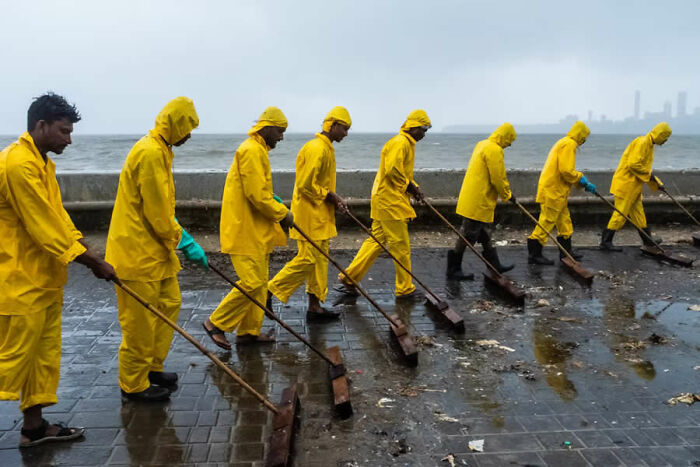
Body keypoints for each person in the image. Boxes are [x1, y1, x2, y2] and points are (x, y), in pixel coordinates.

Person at [0, 93, 116, 447]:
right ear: (41, 125)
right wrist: (93, 262)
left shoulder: (41, 163)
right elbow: (44, 228)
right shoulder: (18, 165)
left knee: (41, 360)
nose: (69, 139)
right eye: (64, 131)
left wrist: (84, 246)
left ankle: (33, 429)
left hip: (44, 280)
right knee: (10, 361)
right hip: (19, 281)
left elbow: (59, 218)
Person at [105, 97, 207, 402]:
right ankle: (133, 385)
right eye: (187, 127)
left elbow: (161, 206)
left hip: (155, 251)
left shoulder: (162, 150)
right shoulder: (150, 152)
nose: (189, 135)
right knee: (138, 322)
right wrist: (184, 240)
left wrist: (174, 238)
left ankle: (151, 368)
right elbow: (158, 211)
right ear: (175, 123)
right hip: (135, 252)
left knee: (169, 304)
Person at [203, 107, 292, 350]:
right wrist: (282, 214)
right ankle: (215, 323)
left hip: (255, 229)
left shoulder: (256, 150)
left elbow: (258, 189)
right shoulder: (252, 151)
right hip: (243, 229)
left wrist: (274, 201)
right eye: (280, 132)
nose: (281, 138)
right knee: (252, 283)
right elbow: (256, 196)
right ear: (268, 127)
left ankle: (248, 333)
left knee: (261, 284)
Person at [335, 110, 430, 300]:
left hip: (386, 199)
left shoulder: (405, 144)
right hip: (390, 202)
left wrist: (413, 187)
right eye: (423, 129)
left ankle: (349, 277)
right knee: (400, 245)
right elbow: (393, 171)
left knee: (376, 241)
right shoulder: (401, 143)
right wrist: (411, 187)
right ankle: (404, 289)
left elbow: (402, 174)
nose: (424, 134)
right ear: (413, 127)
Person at [267, 107, 351, 321]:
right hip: (309, 216)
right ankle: (268, 291)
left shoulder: (326, 148)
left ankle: (315, 308)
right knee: (307, 259)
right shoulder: (317, 148)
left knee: (320, 261)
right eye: (344, 128)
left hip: (320, 214)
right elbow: (305, 185)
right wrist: (329, 195)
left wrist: (333, 198)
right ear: (332, 125)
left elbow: (320, 184)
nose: (346, 134)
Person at [446, 123, 517, 280]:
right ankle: (453, 269)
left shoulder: (482, 144)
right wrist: (507, 194)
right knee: (466, 236)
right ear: (505, 136)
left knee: (483, 234)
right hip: (479, 200)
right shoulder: (495, 150)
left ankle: (494, 265)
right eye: (510, 140)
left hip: (471, 197)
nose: (510, 144)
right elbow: (498, 177)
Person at [527, 121, 596, 264]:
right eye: (584, 137)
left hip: (558, 191)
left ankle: (566, 252)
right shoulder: (569, 144)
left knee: (564, 220)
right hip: (553, 190)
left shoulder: (564, 142)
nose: (584, 141)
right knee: (546, 221)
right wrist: (581, 179)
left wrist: (580, 182)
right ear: (580, 134)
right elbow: (566, 171)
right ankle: (534, 254)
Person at [600, 122, 672, 251]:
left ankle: (647, 240)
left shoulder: (649, 145)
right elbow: (633, 165)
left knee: (639, 215)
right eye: (665, 137)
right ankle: (606, 241)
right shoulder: (643, 142)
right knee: (620, 214)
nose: (665, 141)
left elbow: (643, 169)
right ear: (660, 134)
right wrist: (652, 179)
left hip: (633, 186)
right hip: (626, 184)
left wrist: (656, 184)